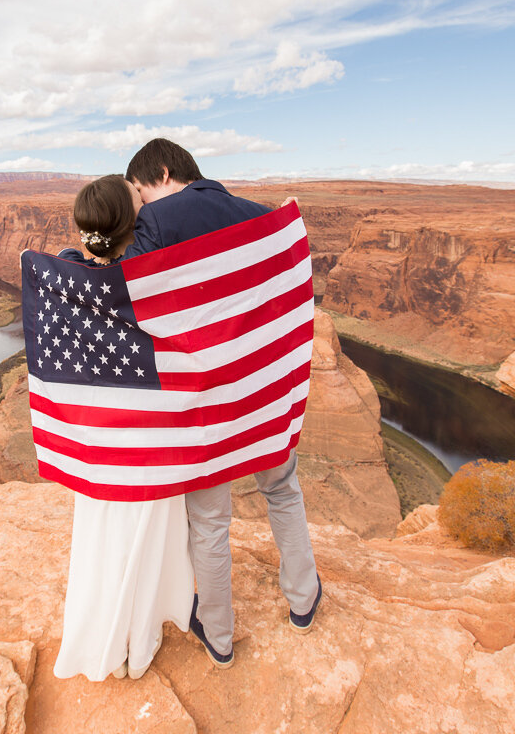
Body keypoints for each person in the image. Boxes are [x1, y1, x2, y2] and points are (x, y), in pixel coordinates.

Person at [122, 138, 323, 669]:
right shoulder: (258, 219)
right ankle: (303, 601)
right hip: (261, 397)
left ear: (161, 171)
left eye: (141, 191)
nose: (142, 204)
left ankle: (220, 636)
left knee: (209, 523)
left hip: (205, 409)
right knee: (283, 491)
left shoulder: (158, 223)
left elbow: (127, 298)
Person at [50, 174, 195, 682]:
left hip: (97, 445)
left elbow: (70, 260)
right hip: (150, 443)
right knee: (146, 538)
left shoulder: (64, 280)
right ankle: (140, 631)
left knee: (102, 539)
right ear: (133, 223)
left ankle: (103, 633)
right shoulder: (152, 282)